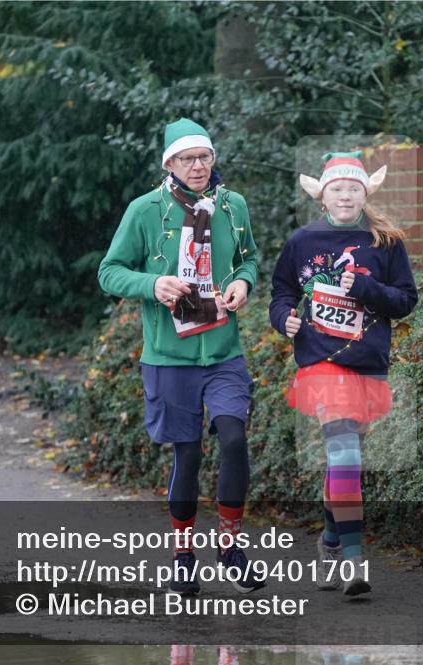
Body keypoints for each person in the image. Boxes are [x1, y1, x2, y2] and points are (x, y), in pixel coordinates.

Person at [98, 118, 264, 595]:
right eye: (187, 159)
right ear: (169, 164)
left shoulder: (233, 207)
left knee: (233, 439)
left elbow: (249, 257)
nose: (197, 166)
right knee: (187, 455)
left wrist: (243, 282)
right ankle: (183, 555)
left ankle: (230, 547)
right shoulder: (145, 210)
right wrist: (153, 284)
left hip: (223, 351)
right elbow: (109, 272)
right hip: (170, 356)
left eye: (204, 157)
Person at [269, 151, 418, 595]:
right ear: (323, 196)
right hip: (319, 363)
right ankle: (353, 559)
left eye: (354, 188)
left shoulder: (386, 243)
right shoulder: (302, 242)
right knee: (345, 454)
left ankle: (332, 540)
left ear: (365, 193)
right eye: (338, 188)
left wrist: (368, 288)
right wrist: (284, 319)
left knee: (345, 462)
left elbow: (407, 300)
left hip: (367, 364)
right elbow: (282, 291)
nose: (346, 194)